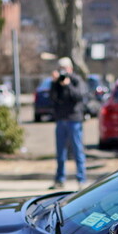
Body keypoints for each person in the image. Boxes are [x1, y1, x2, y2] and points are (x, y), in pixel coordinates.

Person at [49, 57, 88, 190]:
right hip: (61, 120)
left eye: (64, 69)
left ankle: (81, 179)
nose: (62, 72)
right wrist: (54, 83)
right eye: (60, 69)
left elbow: (79, 96)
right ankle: (60, 179)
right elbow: (52, 98)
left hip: (74, 120)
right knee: (60, 152)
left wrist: (68, 84)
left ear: (70, 68)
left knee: (77, 151)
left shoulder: (76, 80)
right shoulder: (57, 82)